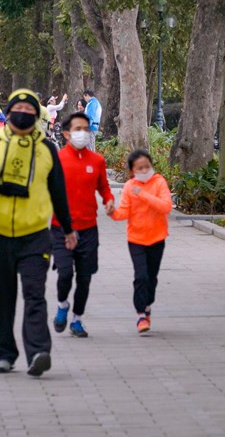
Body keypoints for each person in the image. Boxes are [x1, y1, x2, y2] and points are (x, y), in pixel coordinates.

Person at [0, 89, 76, 377]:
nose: (23, 111)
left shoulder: (48, 149)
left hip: (36, 235)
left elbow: (58, 192)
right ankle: (4, 354)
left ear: (36, 115)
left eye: (29, 107)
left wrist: (68, 229)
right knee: (0, 297)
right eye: (18, 107)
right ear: (9, 112)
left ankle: (38, 351)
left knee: (35, 294)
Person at [51, 112, 115, 338]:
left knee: (85, 277)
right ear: (67, 134)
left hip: (89, 228)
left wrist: (109, 201)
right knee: (65, 273)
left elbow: (104, 187)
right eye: (78, 129)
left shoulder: (96, 160)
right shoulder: (57, 159)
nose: (83, 134)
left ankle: (77, 319)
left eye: (86, 129)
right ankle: (61, 305)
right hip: (60, 228)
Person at [108, 149, 172, 334]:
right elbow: (123, 213)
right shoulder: (129, 186)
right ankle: (141, 315)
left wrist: (143, 194)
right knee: (141, 276)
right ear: (132, 171)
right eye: (140, 168)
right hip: (136, 239)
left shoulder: (159, 182)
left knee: (151, 277)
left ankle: (147, 305)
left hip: (157, 238)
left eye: (147, 167)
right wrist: (112, 212)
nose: (144, 171)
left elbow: (165, 207)